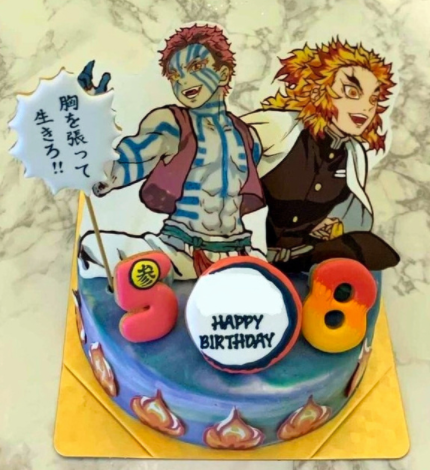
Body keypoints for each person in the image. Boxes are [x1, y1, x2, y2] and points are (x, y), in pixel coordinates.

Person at [78, 24, 264, 280]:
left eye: (196, 67)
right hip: (178, 252)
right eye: (175, 76)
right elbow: (121, 168)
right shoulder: (171, 124)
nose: (184, 81)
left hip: (236, 254)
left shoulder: (248, 136)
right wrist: (91, 125)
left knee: (272, 276)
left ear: (222, 74)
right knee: (96, 248)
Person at [243, 39, 400, 272]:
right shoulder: (278, 126)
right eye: (352, 91)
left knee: (373, 250)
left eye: (373, 99)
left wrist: (333, 225)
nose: (367, 107)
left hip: (302, 260)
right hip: (243, 252)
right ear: (318, 89)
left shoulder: (354, 155)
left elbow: (353, 215)